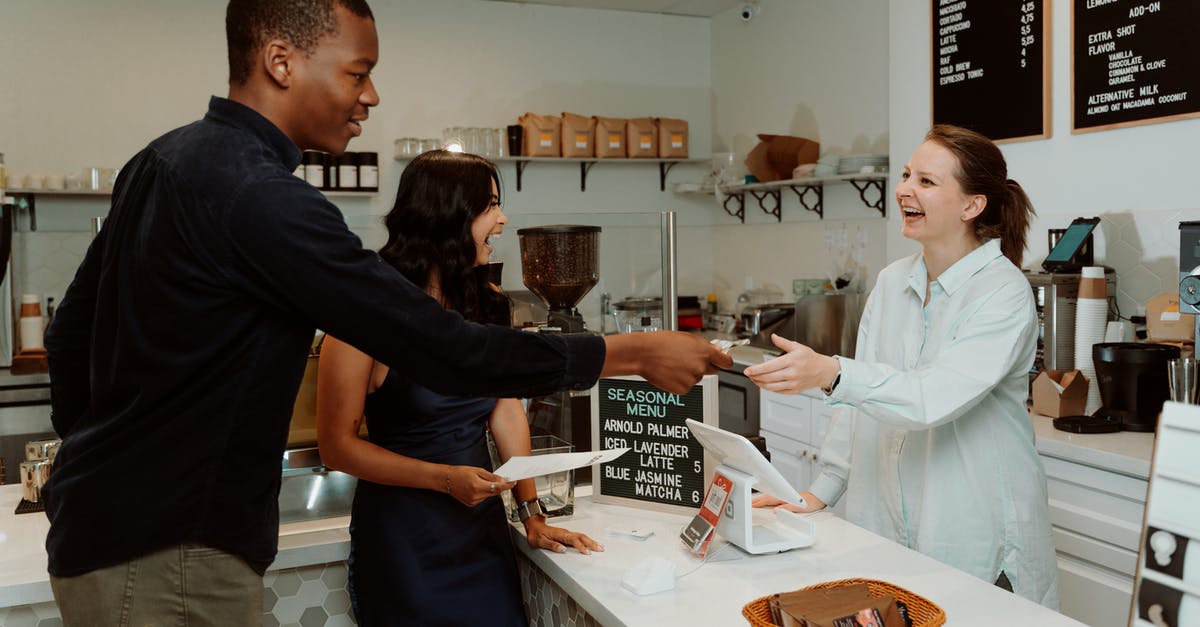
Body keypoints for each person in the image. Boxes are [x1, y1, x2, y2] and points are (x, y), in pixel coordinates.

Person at [41, 1, 729, 624]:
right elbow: (444, 348)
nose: (371, 95)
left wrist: (102, 464)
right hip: (172, 552)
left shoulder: (160, 161)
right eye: (357, 73)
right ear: (280, 61)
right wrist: (628, 352)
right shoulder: (264, 196)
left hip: (113, 534)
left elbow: (69, 336)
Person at [745, 124, 1059, 608]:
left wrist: (833, 373)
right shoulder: (893, 282)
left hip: (976, 532)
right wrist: (818, 491)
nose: (904, 189)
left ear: (971, 206)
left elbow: (932, 397)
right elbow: (858, 405)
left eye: (927, 182)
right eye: (908, 174)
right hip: (891, 530)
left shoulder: (1003, 291)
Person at [317, 150, 601, 626]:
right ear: (446, 214)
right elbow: (336, 448)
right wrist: (444, 479)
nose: (503, 219)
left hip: (478, 534)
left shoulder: (485, 301)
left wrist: (531, 511)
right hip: (404, 542)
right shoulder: (365, 313)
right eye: (490, 205)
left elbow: (506, 409)